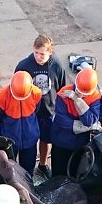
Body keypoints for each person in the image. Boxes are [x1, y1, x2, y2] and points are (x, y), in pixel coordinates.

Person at [15, 35, 67, 179]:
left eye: (42, 54)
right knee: (29, 142)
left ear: (50, 52)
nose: (38, 57)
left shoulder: (57, 66)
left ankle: (43, 165)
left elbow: (62, 89)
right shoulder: (24, 66)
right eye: (36, 53)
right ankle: (25, 171)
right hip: (30, 113)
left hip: (49, 111)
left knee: (47, 140)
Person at [50, 67, 101, 177]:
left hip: (79, 145)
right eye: (78, 91)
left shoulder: (95, 98)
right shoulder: (63, 94)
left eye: (84, 94)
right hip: (61, 142)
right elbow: (61, 121)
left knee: (73, 173)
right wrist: (84, 127)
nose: (80, 94)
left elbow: (89, 120)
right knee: (58, 173)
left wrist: (76, 99)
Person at [0, 71, 43, 175]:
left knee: (28, 167)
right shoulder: (1, 97)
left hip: (30, 138)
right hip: (9, 140)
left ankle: (28, 185)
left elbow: (37, 109)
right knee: (8, 166)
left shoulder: (36, 93)